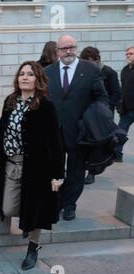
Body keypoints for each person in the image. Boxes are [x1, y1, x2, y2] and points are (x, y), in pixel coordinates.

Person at [0, 61, 64, 270]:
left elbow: (55, 142)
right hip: (11, 164)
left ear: (38, 80)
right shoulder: (10, 101)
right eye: (22, 74)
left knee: (36, 210)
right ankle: (27, 223)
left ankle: (33, 246)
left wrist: (57, 174)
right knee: (8, 207)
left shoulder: (46, 106)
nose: (25, 77)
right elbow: (1, 130)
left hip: (37, 168)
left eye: (30, 74)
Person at [44, 35, 108, 221]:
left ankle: (70, 204)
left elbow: (102, 98)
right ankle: (55, 203)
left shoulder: (90, 70)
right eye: (64, 48)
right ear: (57, 52)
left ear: (76, 48)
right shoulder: (48, 72)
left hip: (80, 132)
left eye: (71, 47)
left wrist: (92, 120)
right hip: (53, 132)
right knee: (54, 170)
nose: (68, 51)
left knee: (76, 170)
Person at [79, 46, 122, 184]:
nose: (86, 63)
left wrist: (106, 108)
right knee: (84, 142)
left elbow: (116, 92)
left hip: (102, 114)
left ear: (97, 59)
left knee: (98, 143)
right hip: (86, 114)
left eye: (89, 61)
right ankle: (82, 168)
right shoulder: (82, 72)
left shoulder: (109, 72)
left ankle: (92, 172)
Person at [115, 46, 134, 163]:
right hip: (127, 110)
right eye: (127, 54)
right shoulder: (125, 70)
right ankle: (117, 154)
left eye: (131, 53)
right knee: (120, 132)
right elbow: (123, 89)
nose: (128, 55)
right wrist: (120, 104)